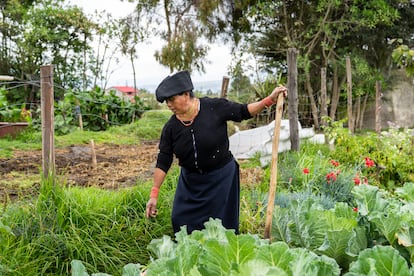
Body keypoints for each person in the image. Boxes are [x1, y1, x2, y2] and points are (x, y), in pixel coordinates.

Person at [145, 70, 287, 234]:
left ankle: (222, 257)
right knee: (181, 221)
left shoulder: (214, 107)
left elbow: (244, 111)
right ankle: (191, 256)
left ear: (185, 94)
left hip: (221, 178)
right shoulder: (171, 128)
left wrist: (269, 100)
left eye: (171, 99)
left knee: (222, 226)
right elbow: (164, 160)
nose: (168, 104)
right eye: (166, 101)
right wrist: (154, 194)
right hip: (191, 183)